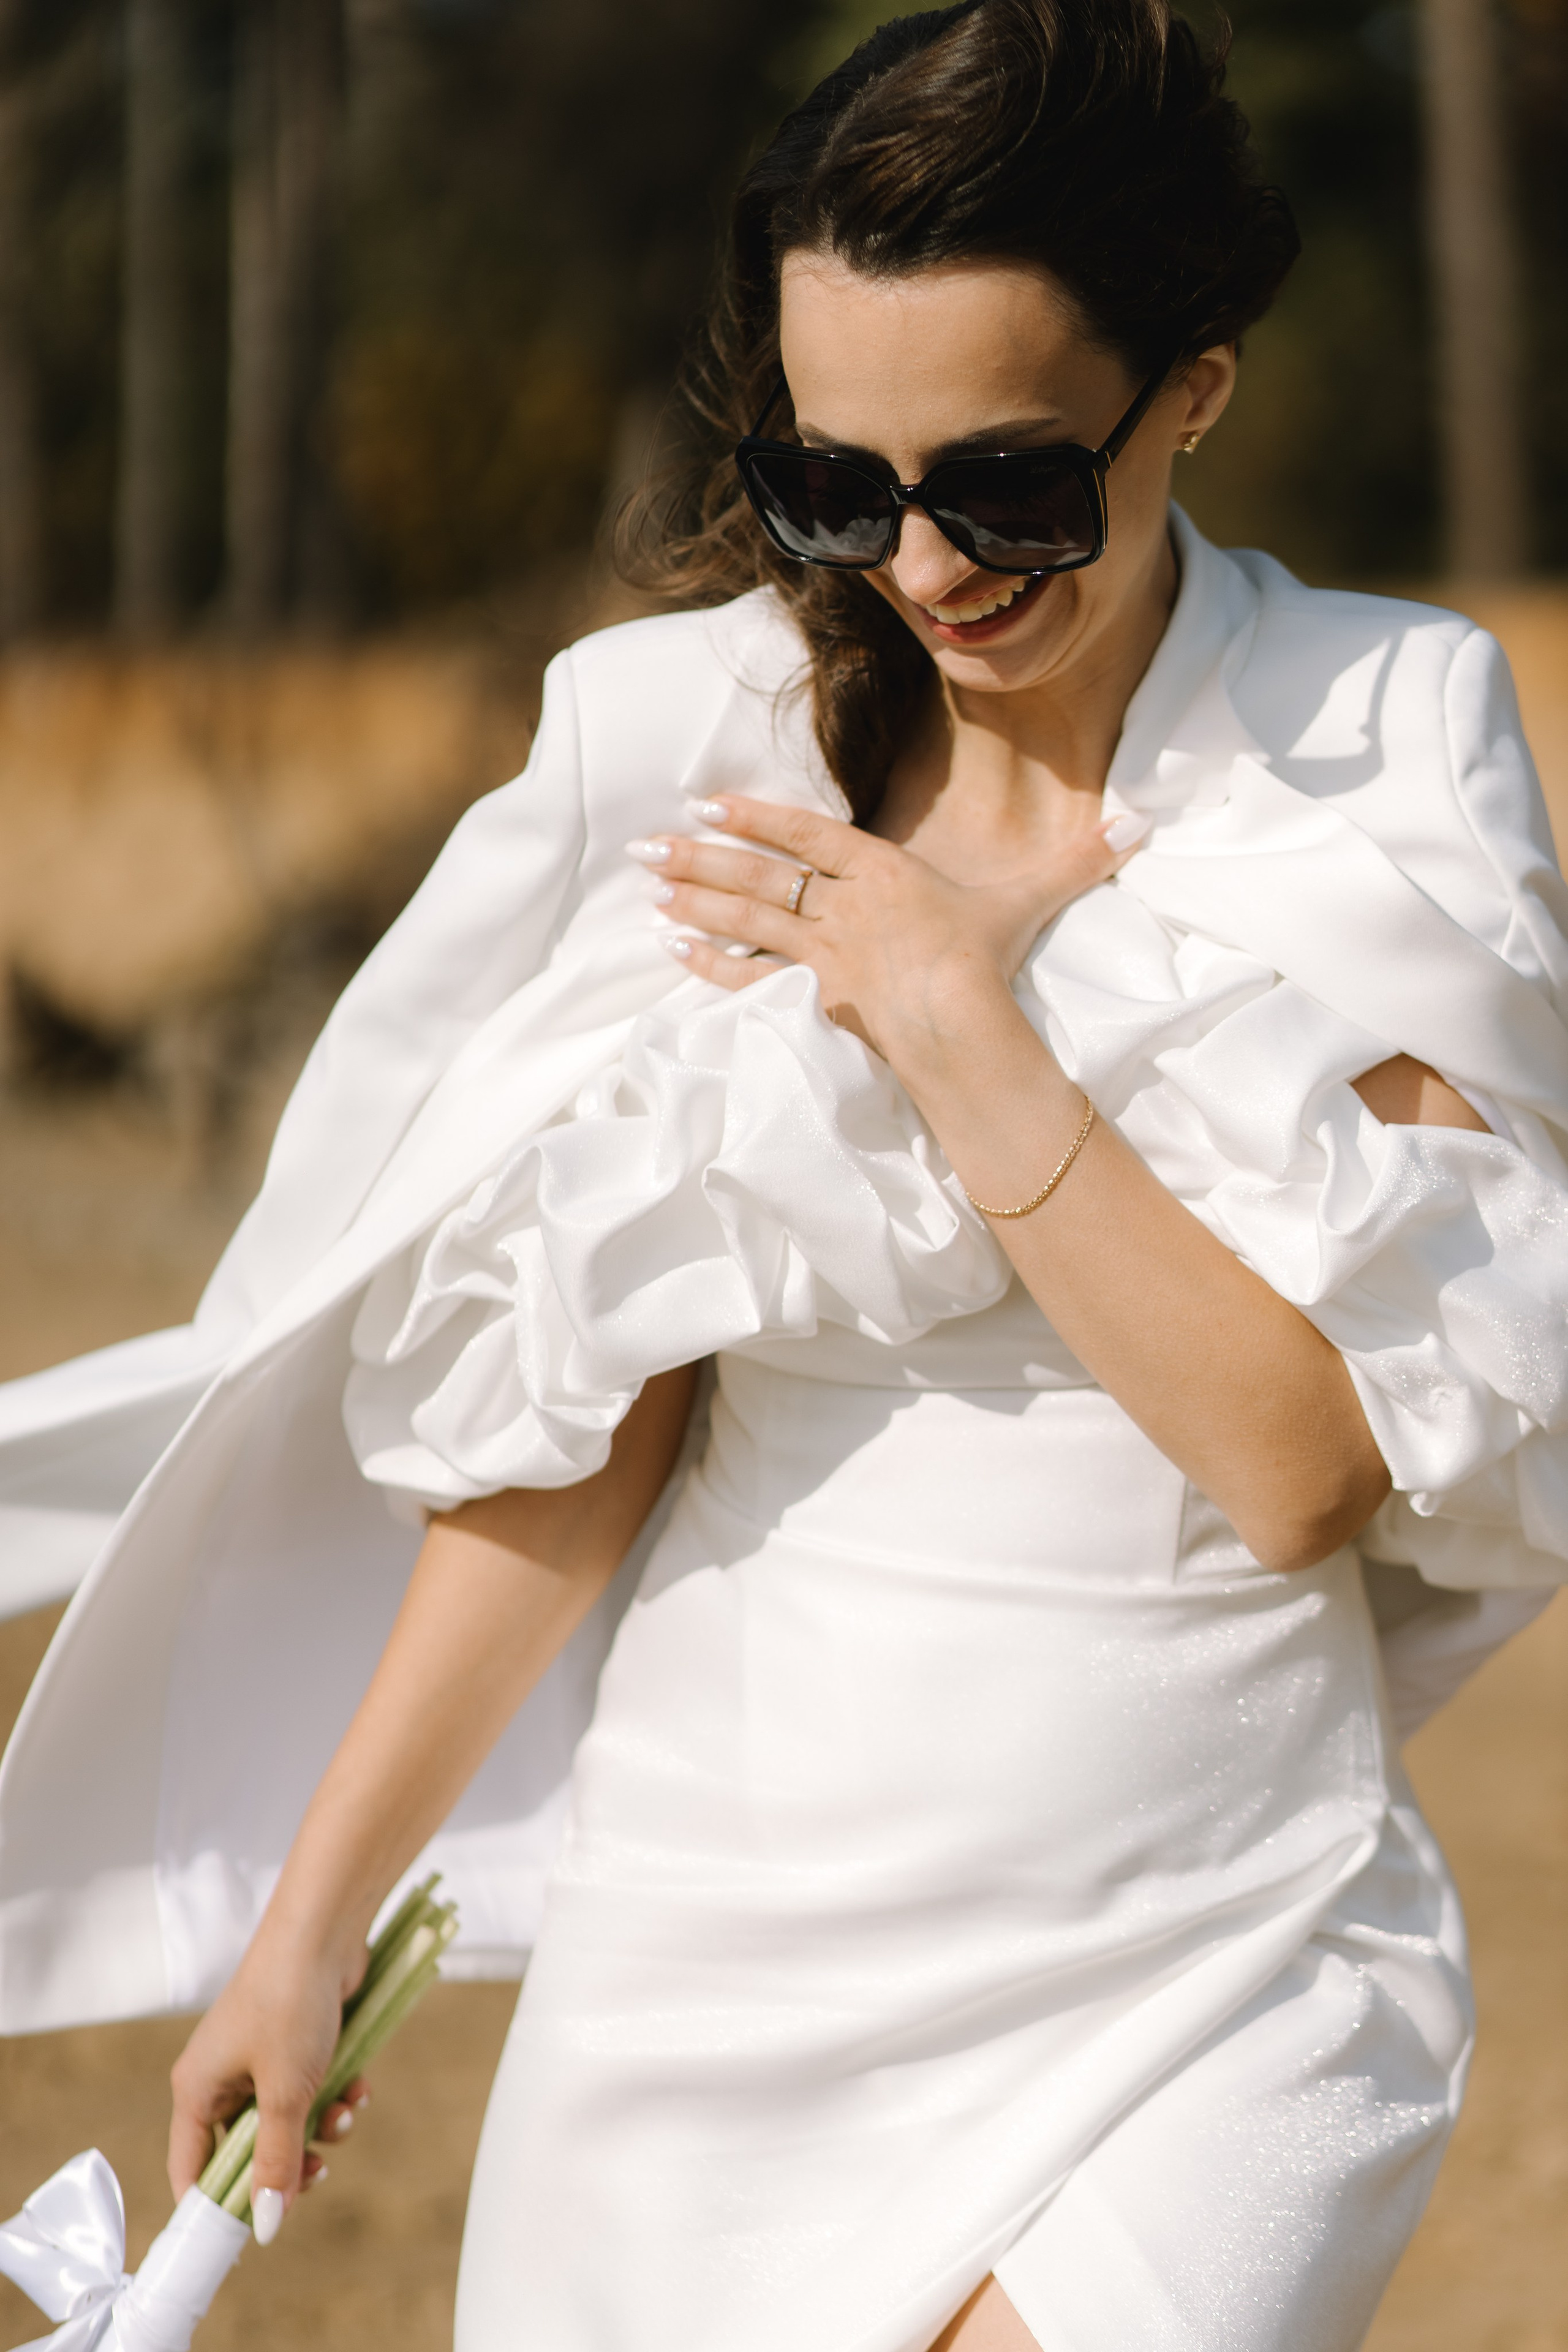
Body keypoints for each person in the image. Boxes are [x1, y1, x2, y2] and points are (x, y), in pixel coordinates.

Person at [2, 4, 1566, 2347]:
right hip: (711, 1969)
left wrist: (951, 1014)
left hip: (1220, 1959)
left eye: (1010, 486)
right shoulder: (700, 757)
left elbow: (1299, 1472)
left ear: (1195, 391)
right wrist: (308, 1921)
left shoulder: (1381, 743)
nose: (922, 564)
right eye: (840, 485)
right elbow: (593, 1420)